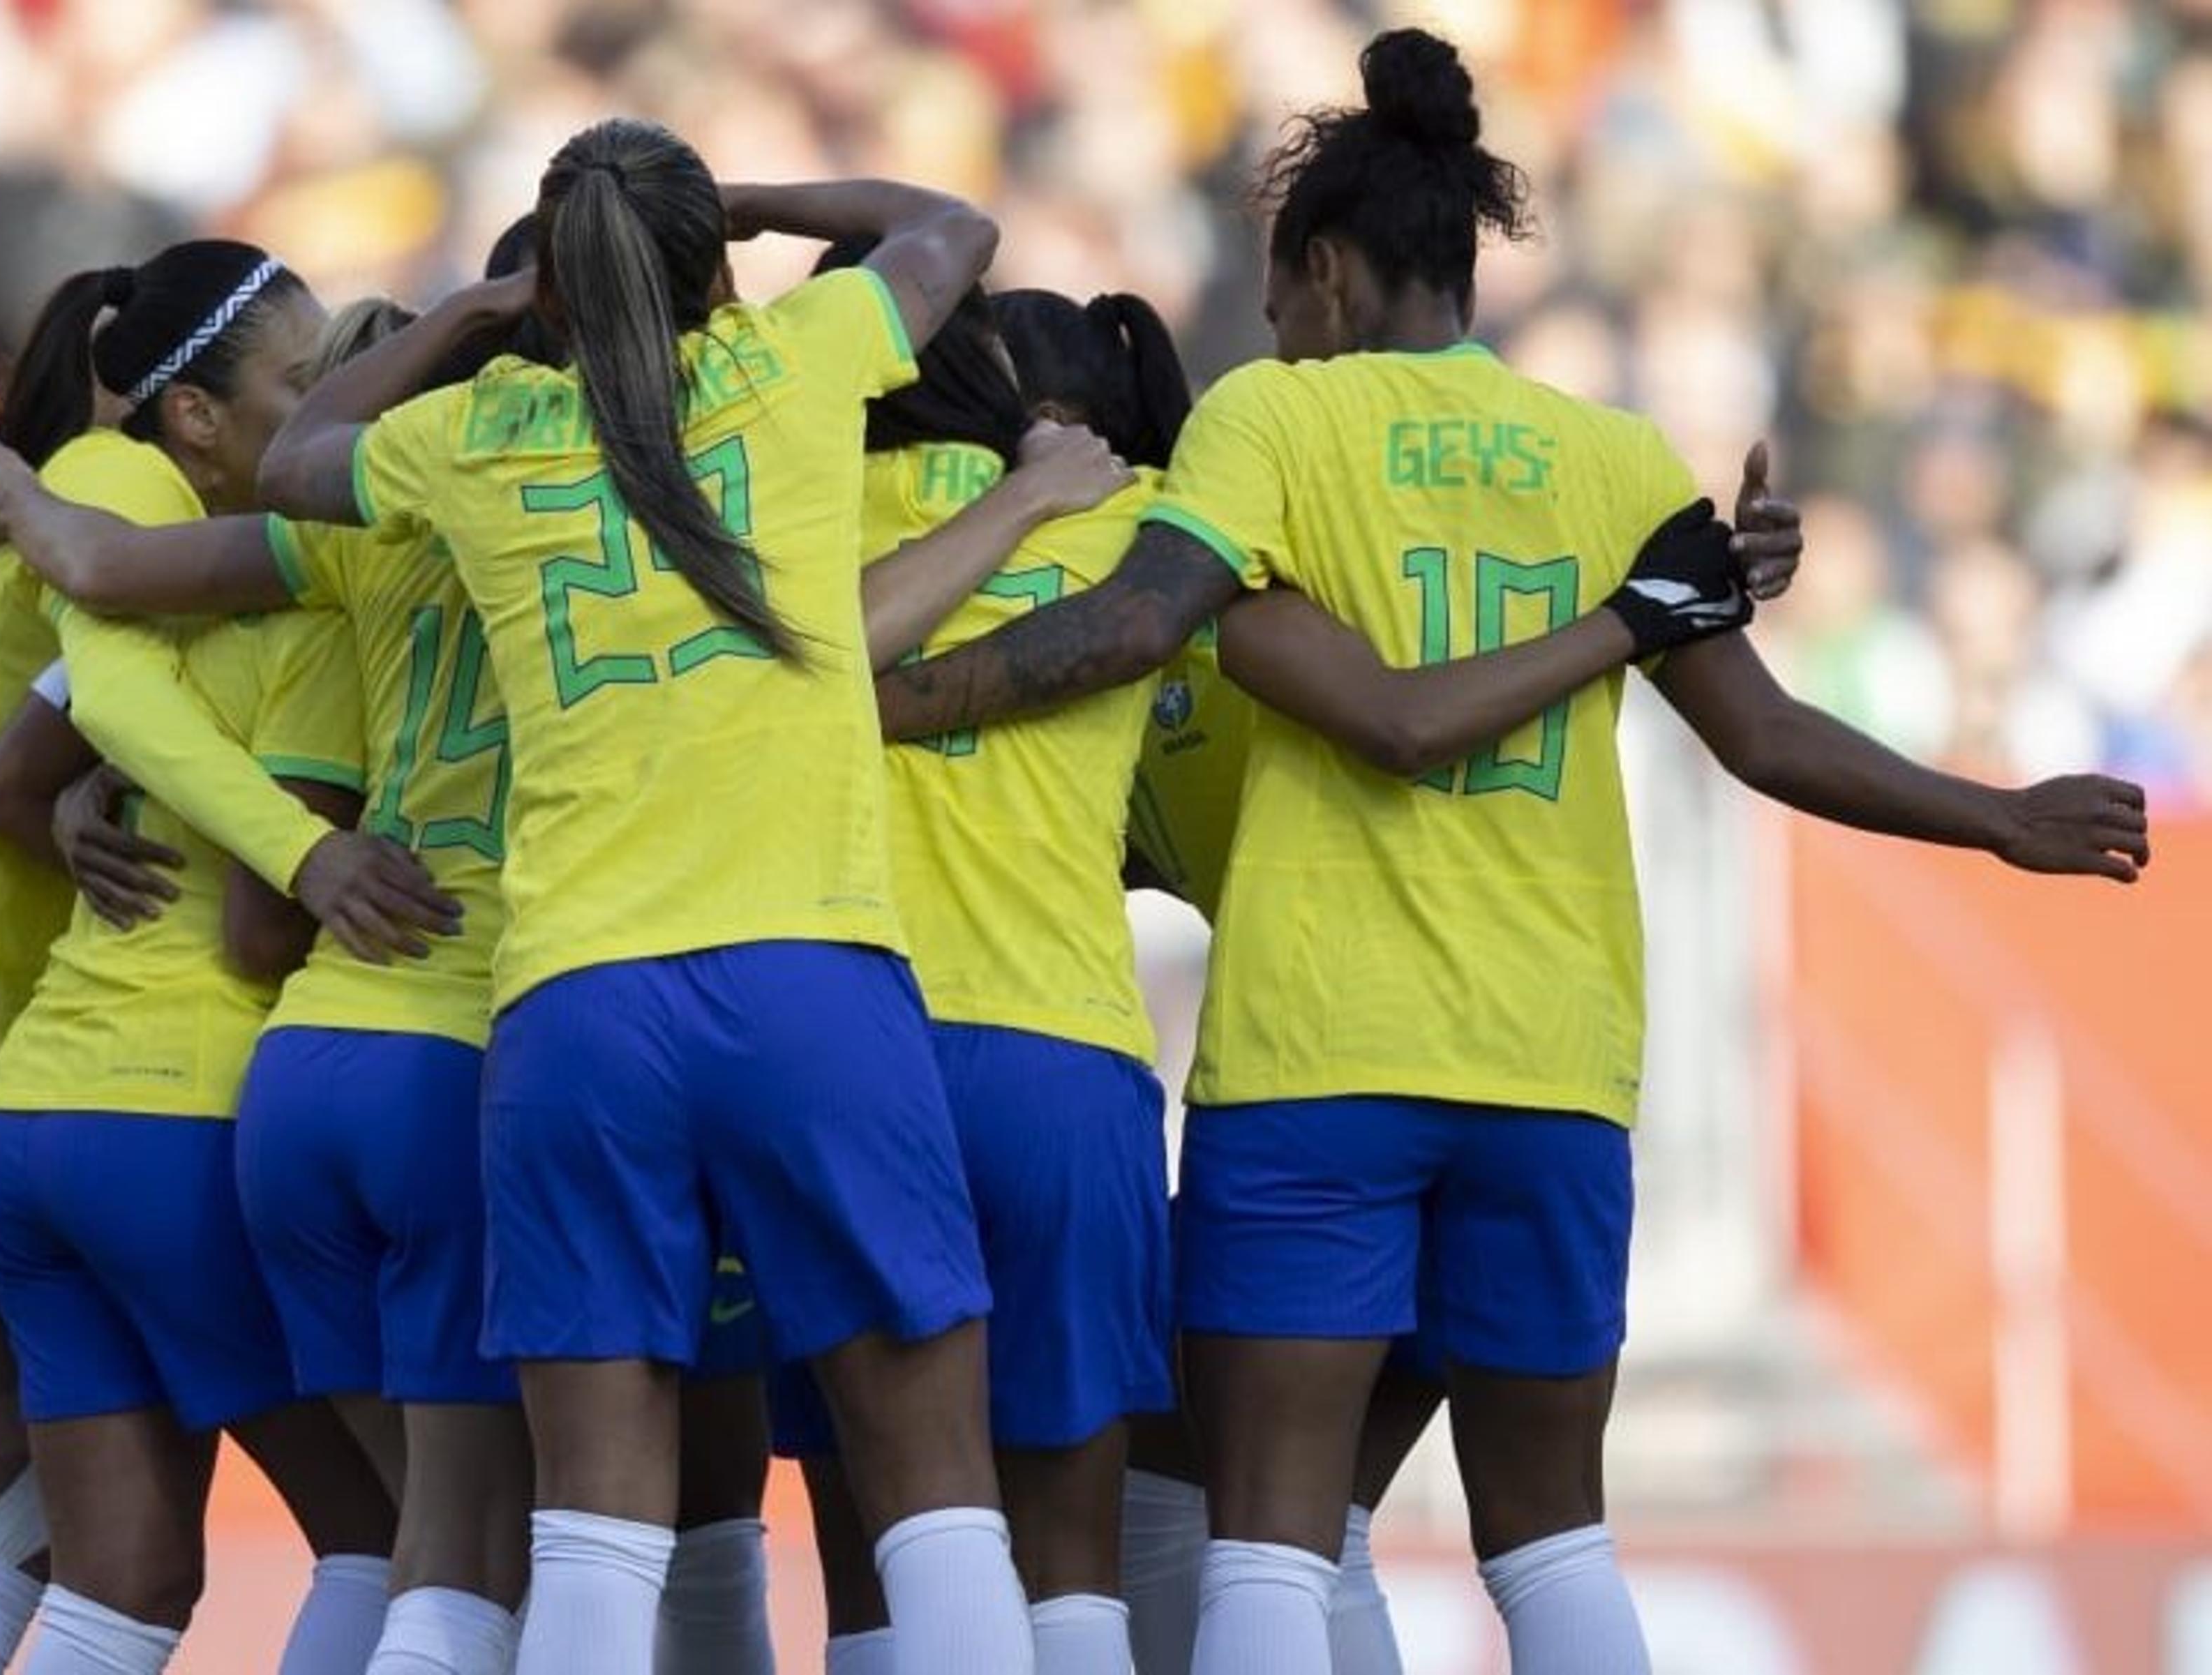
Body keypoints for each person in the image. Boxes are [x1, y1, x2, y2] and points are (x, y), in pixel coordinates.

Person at [872, 30, 2151, 1675]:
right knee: (1552, 1543)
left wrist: (878, 700)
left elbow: (1140, 629)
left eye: (1276, 301)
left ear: (1325, 271)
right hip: (1557, 1061)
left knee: (1267, 1527)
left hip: (1328, 1053)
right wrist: (1995, 814)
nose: (1269, 334)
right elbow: (1762, 738)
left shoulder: (1271, 423)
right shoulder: (1616, 458)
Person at [257, 121, 1036, 1675]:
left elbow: (289, 459)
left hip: (577, 1003)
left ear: (553, 279)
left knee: (597, 1523)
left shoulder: (481, 437)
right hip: (807, 972)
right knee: (928, 1477)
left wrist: (479, 311)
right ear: (717, 264)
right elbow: (951, 225)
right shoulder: (796, 360)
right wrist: (742, 198)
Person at [0, 238, 447, 1675]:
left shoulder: (114, 513)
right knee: (17, 1538)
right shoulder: (117, 493)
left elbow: (21, 764)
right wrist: (305, 851)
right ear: (191, 412)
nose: (312, 420)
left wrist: (68, 809)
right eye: (295, 386)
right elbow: (109, 688)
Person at [0, 248, 412, 1675]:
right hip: (177, 1116)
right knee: (404, 1538)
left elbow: (5, 784)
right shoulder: (329, 606)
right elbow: (257, 931)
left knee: (118, 1580)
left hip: (29, 1117)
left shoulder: (175, 593)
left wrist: (92, 813)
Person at [769, 260, 1154, 1675]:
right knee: (1071, 1574)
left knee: (878, 1561)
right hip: (1062, 1052)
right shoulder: (1146, 520)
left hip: (848, 1063)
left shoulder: (800, 522)